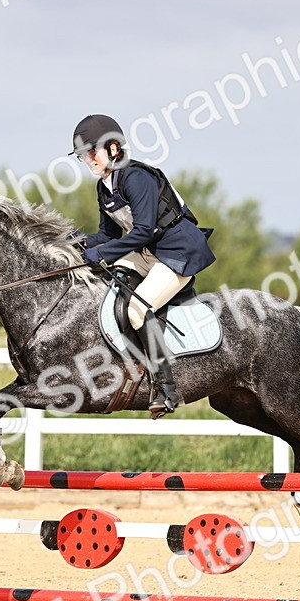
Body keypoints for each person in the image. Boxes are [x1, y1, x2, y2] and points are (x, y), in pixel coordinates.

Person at [69, 114, 216, 417]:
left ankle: (166, 389)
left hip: (177, 253)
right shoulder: (105, 187)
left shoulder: (136, 177)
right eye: (84, 155)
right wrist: (78, 242)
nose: (87, 160)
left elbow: (143, 231)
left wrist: (104, 253)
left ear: (112, 148)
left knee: (137, 308)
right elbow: (108, 235)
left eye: (91, 152)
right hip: (149, 252)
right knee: (102, 283)